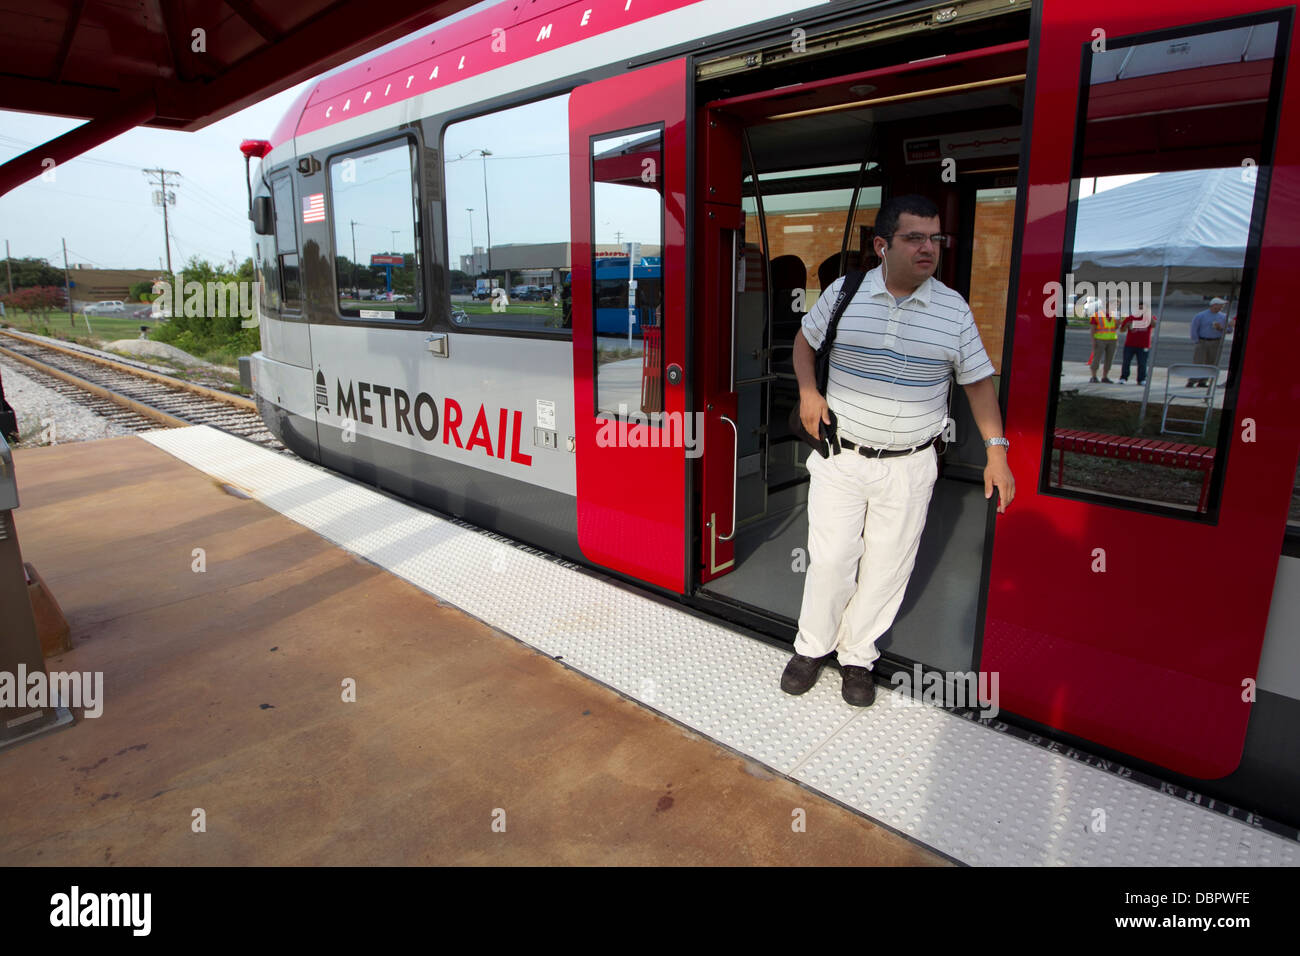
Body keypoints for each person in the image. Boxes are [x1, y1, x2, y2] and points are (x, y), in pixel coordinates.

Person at [781, 195, 1014, 706]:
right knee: (831, 560)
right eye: (915, 238)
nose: (928, 248)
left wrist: (997, 451)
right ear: (883, 246)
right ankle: (811, 647)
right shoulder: (846, 292)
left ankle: (858, 657)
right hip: (841, 457)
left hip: (910, 466)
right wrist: (807, 390)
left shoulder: (953, 309)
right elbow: (805, 342)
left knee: (888, 567)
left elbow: (978, 384)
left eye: (935, 238)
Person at [1188, 297, 1228, 387]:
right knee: (1198, 361)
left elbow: (1229, 329)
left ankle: (1204, 380)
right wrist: (1196, 340)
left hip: (1216, 341)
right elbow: (1194, 328)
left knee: (1211, 362)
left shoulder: (1223, 316)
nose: (1222, 307)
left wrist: (1221, 328)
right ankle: (1193, 380)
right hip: (1203, 340)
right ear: (1214, 305)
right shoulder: (1201, 315)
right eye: (1221, 305)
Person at [1118, 303, 1157, 385]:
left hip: (1144, 345)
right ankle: (1123, 378)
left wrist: (1148, 314)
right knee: (1126, 362)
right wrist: (1126, 325)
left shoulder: (1149, 318)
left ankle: (1141, 379)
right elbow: (1122, 330)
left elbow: (1154, 325)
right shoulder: (1130, 318)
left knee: (1142, 363)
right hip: (1130, 345)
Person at [1089, 299, 1118, 383]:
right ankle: (1093, 376)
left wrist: (1118, 323)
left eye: (1117, 305)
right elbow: (1092, 329)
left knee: (1109, 359)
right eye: (1115, 305)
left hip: (1112, 339)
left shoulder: (1115, 315)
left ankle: (1105, 376)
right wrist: (1093, 341)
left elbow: (1115, 327)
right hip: (1100, 339)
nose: (1116, 307)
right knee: (1096, 359)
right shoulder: (1097, 315)